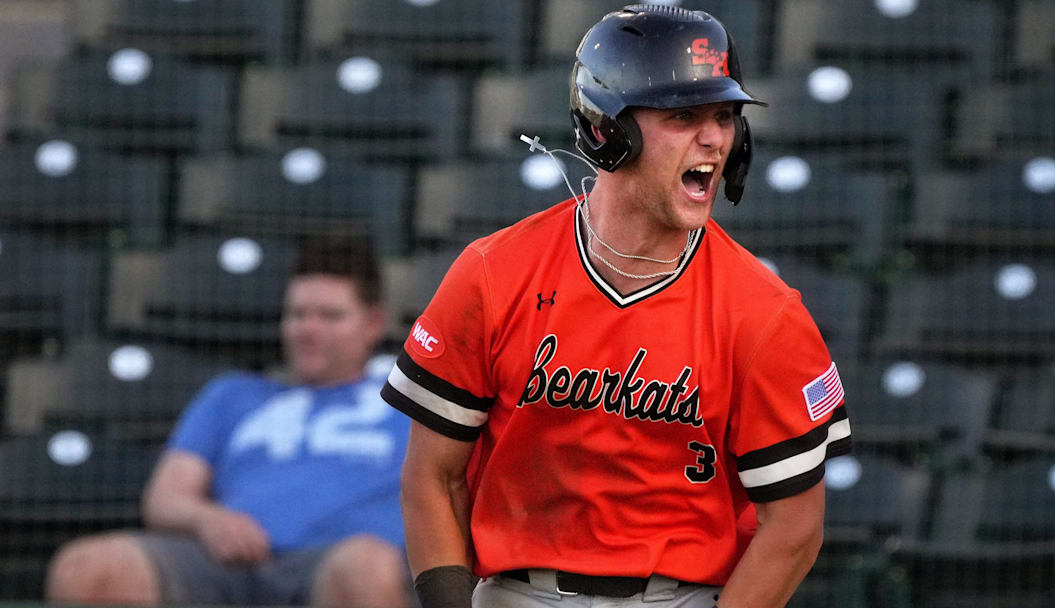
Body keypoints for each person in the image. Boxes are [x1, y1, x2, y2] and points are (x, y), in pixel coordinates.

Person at [381, 5, 853, 608]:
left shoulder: (764, 313)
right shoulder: (493, 273)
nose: (713, 138)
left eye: (725, 116)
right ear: (608, 130)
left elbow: (794, 527)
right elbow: (433, 477)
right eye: (684, 115)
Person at [45, 236, 413, 608]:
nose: (308, 329)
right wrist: (208, 520)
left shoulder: (406, 405)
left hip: (336, 566)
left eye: (330, 316)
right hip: (227, 565)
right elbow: (165, 498)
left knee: (366, 567)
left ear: (373, 323)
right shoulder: (232, 395)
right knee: (86, 568)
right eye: (298, 314)